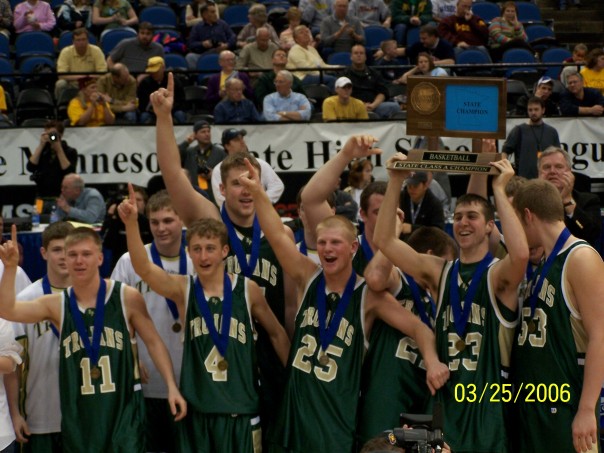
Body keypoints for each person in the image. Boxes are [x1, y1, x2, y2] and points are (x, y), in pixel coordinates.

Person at [238, 143, 449, 453]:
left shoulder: (369, 296)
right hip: (293, 415)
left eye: (335, 242)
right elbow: (273, 232)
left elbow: (420, 329)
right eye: (322, 243)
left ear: (352, 249)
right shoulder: (307, 275)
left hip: (334, 421)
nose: (326, 248)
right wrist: (257, 193)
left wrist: (432, 362)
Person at [151, 77, 291, 440]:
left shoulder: (281, 233)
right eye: (236, 184)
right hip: (221, 353)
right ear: (221, 189)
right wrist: (164, 118)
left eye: (252, 181)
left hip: (270, 354)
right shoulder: (211, 222)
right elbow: (173, 178)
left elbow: (290, 307)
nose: (246, 190)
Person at [374, 154, 529, 453]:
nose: (462, 223)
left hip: (486, 405)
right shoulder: (438, 271)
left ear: (488, 227)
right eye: (457, 217)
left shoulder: (496, 274)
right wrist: (395, 182)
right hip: (444, 402)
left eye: (471, 216)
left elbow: (520, 255)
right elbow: (385, 242)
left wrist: (499, 189)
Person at [119, 185, 290, 452]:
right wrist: (131, 224)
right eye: (196, 249)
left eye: (210, 248)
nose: (203, 256)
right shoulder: (182, 288)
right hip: (198, 410)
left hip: (241, 410)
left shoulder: (248, 289)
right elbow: (143, 267)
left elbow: (277, 334)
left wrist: (291, 382)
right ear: (188, 252)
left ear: (224, 251)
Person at [0, 226, 187, 453]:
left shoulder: (126, 296)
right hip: (80, 417)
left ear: (100, 258)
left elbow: (154, 342)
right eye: (72, 255)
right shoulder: (55, 305)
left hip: (122, 415)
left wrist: (171, 386)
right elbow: (8, 310)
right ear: (65, 261)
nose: (79, 261)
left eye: (86, 254)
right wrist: (10, 269)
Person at [511, 179, 604, 453]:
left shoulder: (581, 257)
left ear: (528, 215)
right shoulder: (542, 265)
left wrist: (587, 409)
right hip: (534, 405)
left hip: (567, 405)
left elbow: (600, 334)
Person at [358, 226, 458, 447]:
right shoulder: (397, 279)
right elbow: (374, 277)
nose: (447, 274)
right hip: (386, 396)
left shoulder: (440, 301)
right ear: (430, 257)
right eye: (446, 264)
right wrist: (391, 235)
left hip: (421, 396)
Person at [111, 190, 194, 453]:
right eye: (154, 222)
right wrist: (131, 354)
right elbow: (114, 316)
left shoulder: (198, 259)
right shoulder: (130, 261)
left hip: (191, 378)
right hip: (147, 381)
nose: (160, 228)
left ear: (182, 220)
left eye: (168, 220)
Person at [7, 222, 74, 453]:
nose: (64, 257)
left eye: (69, 250)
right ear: (44, 253)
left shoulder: (93, 297)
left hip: (86, 415)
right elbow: (12, 364)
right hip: (41, 414)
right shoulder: (26, 299)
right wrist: (14, 413)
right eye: (57, 250)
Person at [537, 147, 602, 248]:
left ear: (569, 172)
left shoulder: (588, 200)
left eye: (559, 167)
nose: (552, 171)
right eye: (546, 167)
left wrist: (567, 201)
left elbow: (592, 234)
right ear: (539, 173)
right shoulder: (529, 200)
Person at [210, 128, 284, 207]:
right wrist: (241, 207)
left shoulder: (260, 163)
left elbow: (277, 185)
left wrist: (261, 202)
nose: (242, 142)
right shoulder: (219, 169)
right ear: (227, 146)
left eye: (242, 138)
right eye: (236, 140)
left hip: (260, 214)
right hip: (233, 215)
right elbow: (220, 197)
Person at [503, 96, 561, 179]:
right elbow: (505, 151)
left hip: (547, 180)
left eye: (536, 109)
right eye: (530, 110)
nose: (533, 112)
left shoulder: (552, 132)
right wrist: (507, 171)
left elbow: (558, 155)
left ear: (543, 110)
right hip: (523, 180)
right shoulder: (519, 130)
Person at [27, 120, 79, 205]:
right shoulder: (43, 151)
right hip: (40, 197)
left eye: (53, 134)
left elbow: (69, 172)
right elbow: (30, 167)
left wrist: (58, 148)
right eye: (47, 134)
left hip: (61, 197)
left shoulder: (70, 151)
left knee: (59, 218)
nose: (51, 137)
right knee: (38, 218)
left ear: (61, 135)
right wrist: (41, 145)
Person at [101, 184, 152, 270]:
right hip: (120, 266)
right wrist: (112, 218)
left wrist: (138, 217)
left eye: (138, 200)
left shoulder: (151, 223)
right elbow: (107, 244)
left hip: (147, 266)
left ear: (145, 204)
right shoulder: (117, 221)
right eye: (131, 200)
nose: (134, 202)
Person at [343, 44, 400, 119]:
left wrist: (373, 105)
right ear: (351, 57)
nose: (359, 55)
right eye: (356, 53)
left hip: (374, 107)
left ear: (365, 57)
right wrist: (361, 105)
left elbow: (383, 92)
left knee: (394, 106)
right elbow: (342, 94)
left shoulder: (374, 73)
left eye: (361, 53)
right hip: (353, 107)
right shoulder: (345, 74)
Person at [55, 27, 107, 100]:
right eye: (78, 40)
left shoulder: (96, 51)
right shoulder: (65, 52)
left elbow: (102, 73)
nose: (81, 42)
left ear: (88, 40)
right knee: (60, 84)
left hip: (92, 82)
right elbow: (61, 75)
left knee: (104, 81)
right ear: (73, 41)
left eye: (83, 39)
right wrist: (82, 77)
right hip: (72, 83)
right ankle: (61, 106)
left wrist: (87, 79)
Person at [178, 120, 227, 193]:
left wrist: (214, 175)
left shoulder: (220, 153)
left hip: (213, 194)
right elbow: (173, 157)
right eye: (203, 132)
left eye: (208, 131)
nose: (207, 134)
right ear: (195, 135)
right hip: (193, 194)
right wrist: (186, 142)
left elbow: (227, 173)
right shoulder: (189, 152)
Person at [137, 56, 187, 124]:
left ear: (163, 68)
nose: (153, 74)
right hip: (152, 111)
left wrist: (169, 107)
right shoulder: (145, 83)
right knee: (144, 116)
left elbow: (181, 100)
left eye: (156, 71)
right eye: (151, 72)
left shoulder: (173, 81)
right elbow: (142, 104)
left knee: (180, 114)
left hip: (172, 109)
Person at [186, 2, 236, 69]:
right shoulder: (197, 27)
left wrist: (227, 45)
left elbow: (233, 36)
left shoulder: (222, 24)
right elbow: (191, 43)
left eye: (215, 12)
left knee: (235, 57)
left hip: (222, 52)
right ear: (205, 15)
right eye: (212, 12)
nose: (215, 14)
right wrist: (202, 44)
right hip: (203, 53)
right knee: (190, 57)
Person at [286, 25, 337, 91]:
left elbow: (322, 65)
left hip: (317, 74)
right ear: (296, 39)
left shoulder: (312, 49)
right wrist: (321, 73)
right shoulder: (295, 49)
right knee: (332, 80)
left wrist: (336, 67)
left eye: (307, 32)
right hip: (302, 77)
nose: (305, 34)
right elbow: (305, 68)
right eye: (301, 32)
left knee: (340, 76)